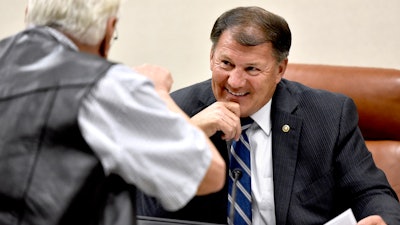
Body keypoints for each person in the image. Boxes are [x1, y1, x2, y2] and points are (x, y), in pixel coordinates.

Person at [136, 6, 400, 225]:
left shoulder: (329, 115)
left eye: (252, 69)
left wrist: (381, 220)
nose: (235, 82)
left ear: (280, 70)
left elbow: (372, 192)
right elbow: (141, 209)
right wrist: (188, 135)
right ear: (211, 56)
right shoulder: (179, 111)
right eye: (226, 64)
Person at [0, 0, 227, 224]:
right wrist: (157, 94)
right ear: (108, 30)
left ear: (28, 12)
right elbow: (207, 173)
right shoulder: (106, 85)